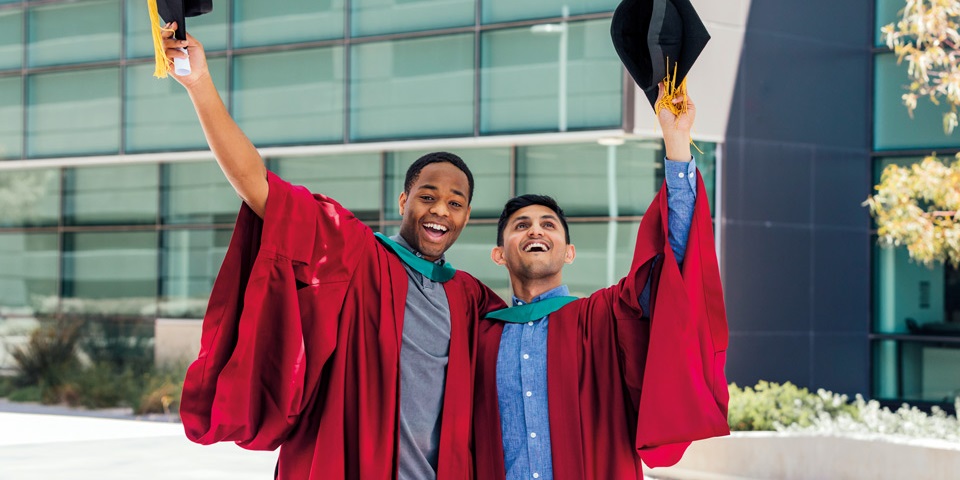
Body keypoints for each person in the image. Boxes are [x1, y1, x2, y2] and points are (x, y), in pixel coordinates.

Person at [159, 25, 507, 480]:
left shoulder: (471, 299)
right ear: (404, 202)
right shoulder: (357, 252)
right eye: (427, 195)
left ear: (466, 217)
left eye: (455, 203)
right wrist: (200, 85)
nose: (440, 209)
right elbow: (259, 187)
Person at [473, 86, 731, 480]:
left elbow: (669, 266)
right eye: (520, 226)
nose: (535, 231)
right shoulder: (481, 336)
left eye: (548, 224)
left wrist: (677, 144)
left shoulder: (603, 319)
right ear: (499, 254)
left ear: (569, 252)